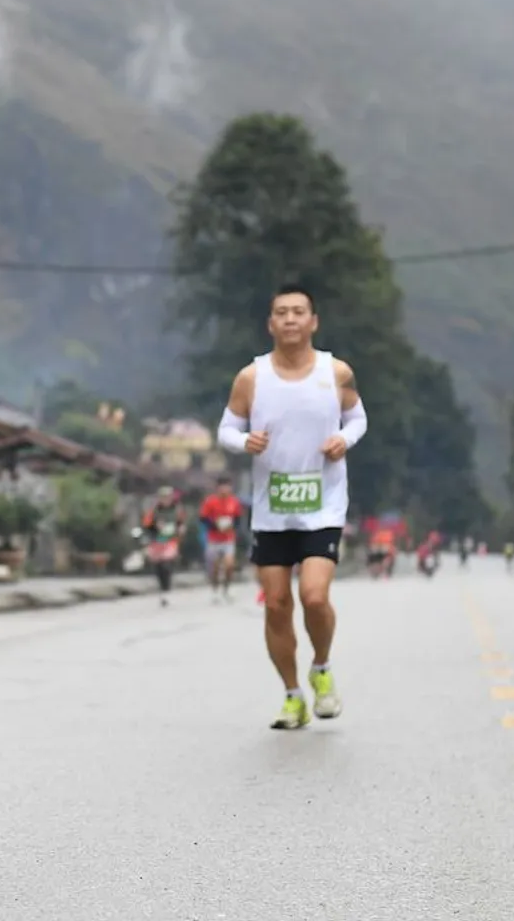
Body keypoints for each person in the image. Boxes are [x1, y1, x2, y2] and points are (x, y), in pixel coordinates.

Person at [216, 284, 366, 731]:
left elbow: (358, 417)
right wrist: (245, 441)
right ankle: (292, 695)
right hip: (272, 508)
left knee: (313, 596)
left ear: (313, 322)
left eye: (299, 312)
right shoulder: (252, 377)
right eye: (281, 312)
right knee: (277, 604)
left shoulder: (335, 372)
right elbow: (226, 427)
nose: (290, 319)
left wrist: (345, 438)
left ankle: (320, 668)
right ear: (270, 324)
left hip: (323, 505)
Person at [199, 478, 243, 601]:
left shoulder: (234, 502)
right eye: (222, 487)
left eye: (227, 487)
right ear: (217, 488)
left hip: (228, 538)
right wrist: (215, 526)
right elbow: (203, 518)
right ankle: (215, 588)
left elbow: (238, 519)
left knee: (229, 565)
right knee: (215, 566)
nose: (225, 489)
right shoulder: (210, 501)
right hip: (214, 539)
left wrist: (232, 526)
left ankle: (226, 588)